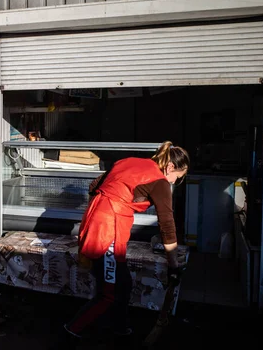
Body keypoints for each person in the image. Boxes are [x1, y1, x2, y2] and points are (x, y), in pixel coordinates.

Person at [57, 141, 189, 347]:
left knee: (123, 283)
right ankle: (71, 331)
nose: (173, 182)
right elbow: (167, 225)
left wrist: (106, 207)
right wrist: (173, 264)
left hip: (96, 221)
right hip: (109, 229)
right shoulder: (160, 181)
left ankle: (119, 328)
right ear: (171, 167)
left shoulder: (130, 162)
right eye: (177, 179)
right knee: (108, 293)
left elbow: (94, 186)